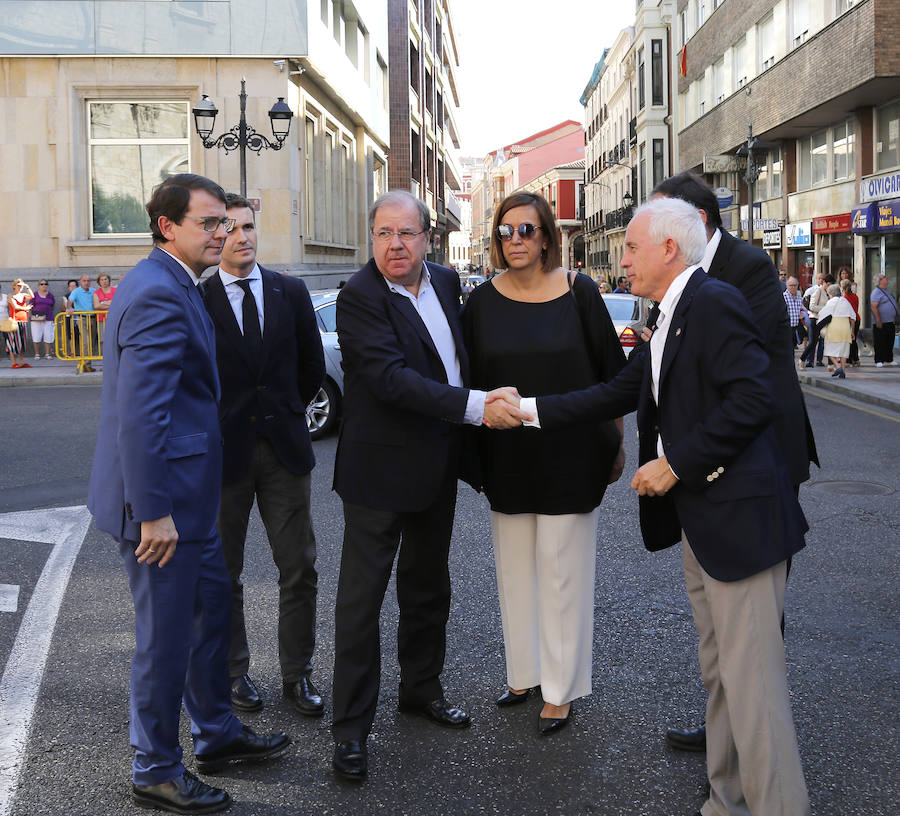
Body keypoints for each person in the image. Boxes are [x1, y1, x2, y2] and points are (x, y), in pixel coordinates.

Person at [518, 197, 811, 816]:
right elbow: (614, 393)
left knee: (754, 689)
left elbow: (753, 400)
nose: (621, 261)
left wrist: (675, 464)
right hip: (707, 526)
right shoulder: (673, 312)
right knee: (724, 678)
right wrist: (528, 410)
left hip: (742, 525)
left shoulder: (714, 302)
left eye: (629, 248)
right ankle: (726, 801)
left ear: (669, 250)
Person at [87, 174, 290, 815]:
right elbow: (139, 416)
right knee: (165, 640)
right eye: (209, 224)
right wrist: (153, 514)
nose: (222, 234)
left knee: (207, 624)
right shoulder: (157, 293)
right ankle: (155, 769)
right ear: (167, 226)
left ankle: (217, 733)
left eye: (225, 223)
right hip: (163, 510)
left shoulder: (174, 281)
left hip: (188, 503)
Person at [330, 189, 520, 781]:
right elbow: (392, 380)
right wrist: (476, 407)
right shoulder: (358, 298)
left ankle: (421, 689)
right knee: (361, 605)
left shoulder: (442, 281)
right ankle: (350, 732)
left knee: (428, 588)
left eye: (406, 234)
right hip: (378, 475)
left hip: (436, 468)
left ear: (427, 237)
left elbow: (460, 356)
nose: (394, 245)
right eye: (383, 233)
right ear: (372, 237)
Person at [650, 170, 817, 753]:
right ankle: (728, 731)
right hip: (709, 462)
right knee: (720, 619)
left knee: (751, 619)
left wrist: (677, 459)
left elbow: (745, 386)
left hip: (757, 459)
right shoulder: (679, 283)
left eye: (655, 221)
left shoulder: (740, 272)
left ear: (690, 224)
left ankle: (752, 730)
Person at [462, 192, 625, 734]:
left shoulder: (580, 293)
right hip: (507, 456)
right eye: (505, 232)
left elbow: (613, 378)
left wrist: (617, 443)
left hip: (572, 454)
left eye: (526, 231)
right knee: (515, 572)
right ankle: (524, 673)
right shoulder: (481, 302)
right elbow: (466, 382)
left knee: (563, 574)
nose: (515, 242)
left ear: (548, 236)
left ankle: (560, 688)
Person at [199, 193, 326, 718]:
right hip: (224, 456)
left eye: (249, 226)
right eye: (229, 228)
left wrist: (285, 411)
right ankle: (235, 674)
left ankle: (297, 676)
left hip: (283, 452)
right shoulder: (198, 296)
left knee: (299, 567)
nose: (242, 237)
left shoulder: (290, 291)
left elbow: (312, 365)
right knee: (223, 574)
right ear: (215, 235)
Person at [817, 283, 855, 379]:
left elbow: (822, 314)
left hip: (834, 328)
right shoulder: (845, 301)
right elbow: (853, 317)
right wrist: (852, 331)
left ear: (830, 294)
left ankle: (838, 367)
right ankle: (843, 371)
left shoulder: (831, 302)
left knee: (829, 350)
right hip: (845, 327)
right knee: (844, 351)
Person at [67, 273, 98, 371]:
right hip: (82, 318)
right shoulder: (76, 291)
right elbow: (70, 301)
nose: (86, 283)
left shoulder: (94, 291)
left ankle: (88, 365)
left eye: (88, 281)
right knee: (85, 341)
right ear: (80, 282)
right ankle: (85, 364)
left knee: (92, 342)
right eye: (84, 281)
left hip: (93, 318)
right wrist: (69, 307)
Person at [799, 272, 830, 369]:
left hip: (823, 320)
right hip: (814, 319)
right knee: (813, 342)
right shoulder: (817, 291)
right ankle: (804, 359)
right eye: (828, 284)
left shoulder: (828, 293)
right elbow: (812, 306)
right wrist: (825, 308)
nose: (829, 286)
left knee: (825, 341)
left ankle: (828, 363)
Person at [870, 273, 898, 367]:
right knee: (880, 341)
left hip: (890, 321)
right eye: (885, 277)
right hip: (881, 321)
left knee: (890, 341)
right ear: (880, 281)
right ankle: (879, 360)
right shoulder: (876, 292)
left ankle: (888, 359)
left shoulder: (886, 291)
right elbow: (874, 307)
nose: (887, 278)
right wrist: (878, 320)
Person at [6, 279, 33, 368]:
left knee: (22, 343)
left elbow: (32, 296)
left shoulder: (23, 295)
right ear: (14, 286)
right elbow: (16, 307)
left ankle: (21, 362)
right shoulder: (10, 295)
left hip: (23, 321)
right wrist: (27, 308)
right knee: (13, 342)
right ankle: (14, 363)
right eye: (18, 285)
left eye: (21, 286)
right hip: (14, 321)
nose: (20, 287)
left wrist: (27, 286)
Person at [838, 269, 860, 366]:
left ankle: (849, 359)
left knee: (848, 340)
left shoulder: (844, 298)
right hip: (857, 318)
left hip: (848, 320)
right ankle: (855, 359)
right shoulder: (855, 296)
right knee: (853, 340)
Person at [30, 279, 56, 359]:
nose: (44, 285)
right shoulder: (34, 294)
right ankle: (37, 354)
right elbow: (31, 305)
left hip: (48, 318)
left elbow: (53, 305)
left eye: (45, 284)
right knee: (36, 336)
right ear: (39, 285)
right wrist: (36, 313)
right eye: (42, 284)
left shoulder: (50, 295)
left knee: (48, 336)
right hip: (37, 319)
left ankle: (47, 354)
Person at [92, 273, 116, 349]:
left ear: (109, 280)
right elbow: (96, 306)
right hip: (101, 319)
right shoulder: (96, 293)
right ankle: (104, 357)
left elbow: (118, 303)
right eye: (102, 280)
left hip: (114, 318)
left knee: (114, 338)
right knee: (103, 339)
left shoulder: (115, 290)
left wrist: (103, 303)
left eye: (105, 279)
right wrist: (111, 303)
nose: (104, 281)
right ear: (99, 282)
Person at [783, 276, 805, 348]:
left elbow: (802, 309)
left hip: (796, 328)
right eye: (791, 285)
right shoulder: (783, 297)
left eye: (795, 285)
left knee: (792, 349)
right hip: (786, 328)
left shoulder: (799, 297)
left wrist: (802, 313)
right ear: (787, 286)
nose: (793, 287)